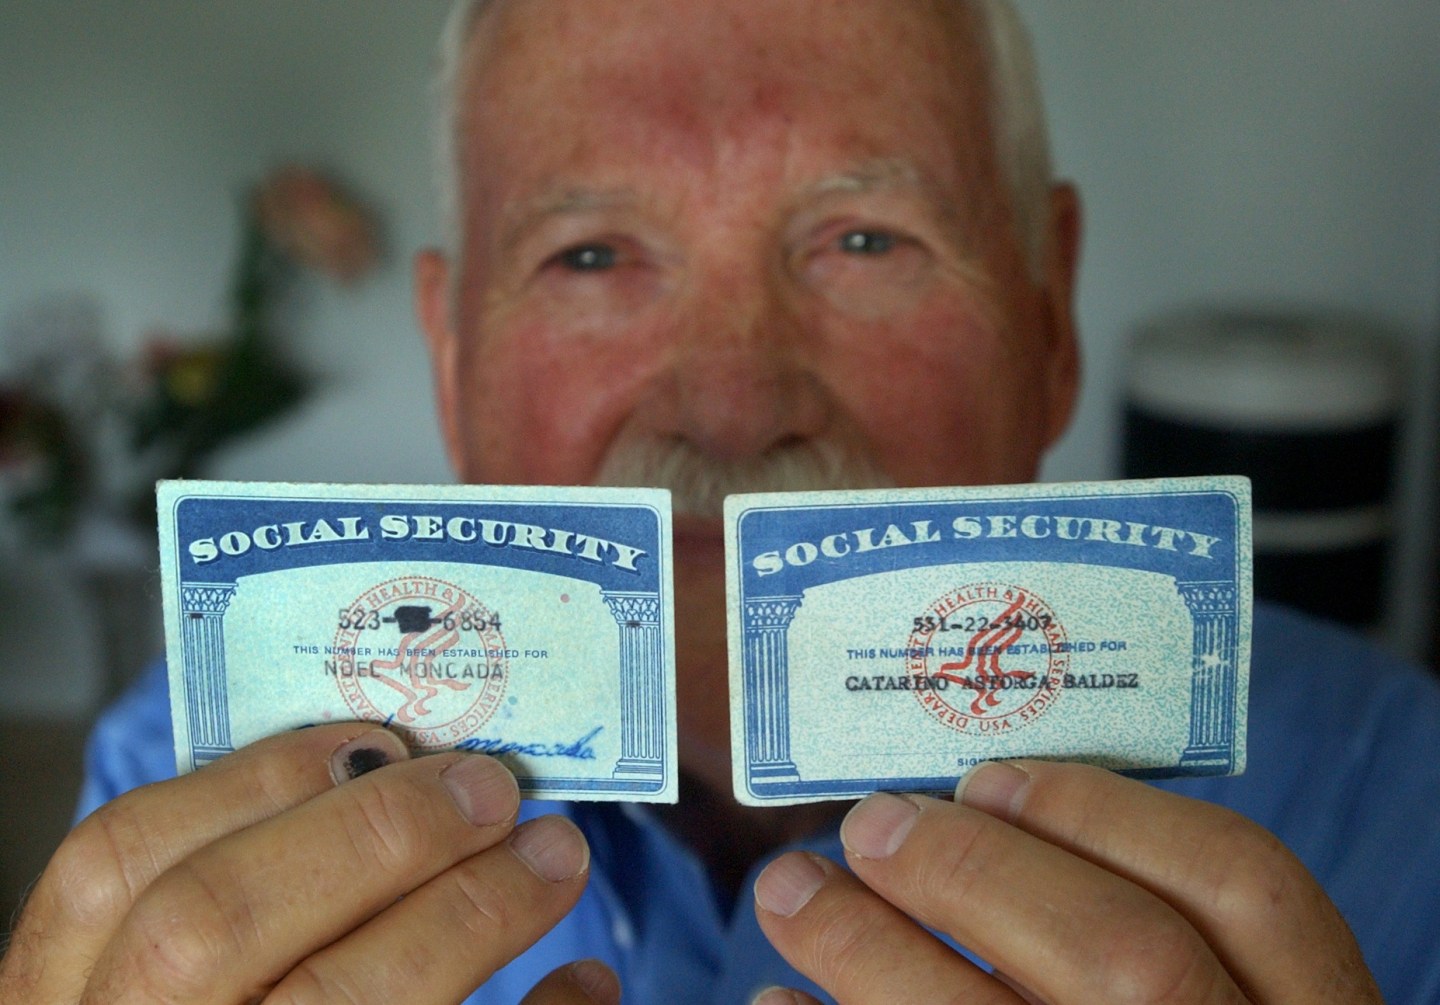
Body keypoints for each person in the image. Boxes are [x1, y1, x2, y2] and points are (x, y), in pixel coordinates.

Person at [3, 1, 1438, 1001]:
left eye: (865, 239)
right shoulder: (192, 776)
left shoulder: (1394, 796)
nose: (733, 402)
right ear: (449, 361)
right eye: (591, 256)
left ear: (1049, 317)